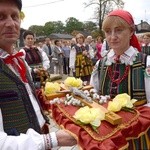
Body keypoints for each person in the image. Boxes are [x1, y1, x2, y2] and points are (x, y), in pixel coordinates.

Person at [0, 0, 76, 149]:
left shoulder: (20, 61)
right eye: (1, 17)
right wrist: (52, 140)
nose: (10, 23)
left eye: (14, 16)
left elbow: (28, 100)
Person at [90, 9, 150, 149]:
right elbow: (94, 96)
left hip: (138, 135)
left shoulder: (145, 63)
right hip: (108, 137)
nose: (112, 37)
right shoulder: (101, 64)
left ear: (131, 32)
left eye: (118, 30)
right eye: (108, 31)